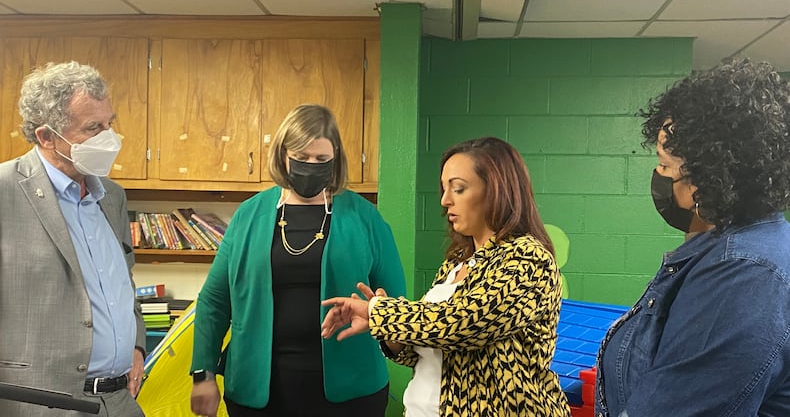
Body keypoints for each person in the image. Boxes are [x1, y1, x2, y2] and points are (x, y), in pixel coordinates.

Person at [321, 137, 571, 417]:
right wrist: (390, 334)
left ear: (497, 191)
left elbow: (464, 323)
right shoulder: (457, 262)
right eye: (444, 188)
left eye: (459, 188)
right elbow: (430, 348)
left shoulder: (528, 258)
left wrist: (379, 312)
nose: (445, 200)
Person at [595, 58, 790, 416]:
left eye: (665, 164)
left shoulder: (745, 272)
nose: (658, 175)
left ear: (710, 174)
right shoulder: (736, 245)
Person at [190, 104, 407, 417]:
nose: (311, 166)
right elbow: (214, 301)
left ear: (335, 158)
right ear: (283, 155)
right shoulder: (249, 215)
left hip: (351, 391)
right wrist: (203, 374)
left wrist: (381, 316)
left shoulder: (365, 218)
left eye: (321, 159)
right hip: (258, 391)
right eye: (302, 157)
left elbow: (396, 302)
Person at [0, 61, 146, 416]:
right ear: (46, 137)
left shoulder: (111, 196)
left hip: (119, 400)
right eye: (93, 128)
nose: (109, 138)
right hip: (39, 404)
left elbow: (121, 283)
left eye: (110, 123)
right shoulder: (5, 191)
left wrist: (137, 345)